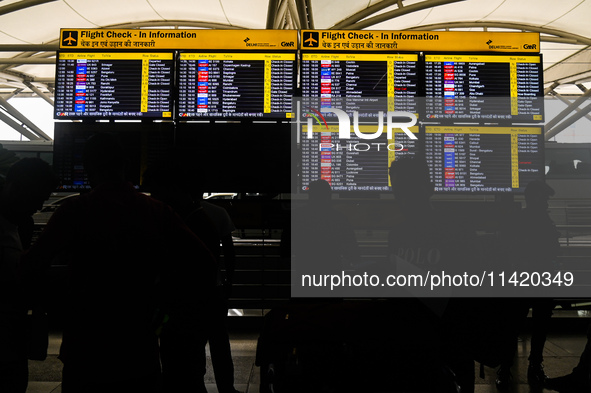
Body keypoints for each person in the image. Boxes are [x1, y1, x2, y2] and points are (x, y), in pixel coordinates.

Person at [20, 133, 216, 393]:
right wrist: (163, 308)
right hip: (138, 347)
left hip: (85, 346)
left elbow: (32, 265)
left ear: (88, 168)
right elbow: (203, 262)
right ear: (125, 165)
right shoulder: (157, 211)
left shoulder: (75, 211)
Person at [143, 162, 241, 393]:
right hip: (206, 297)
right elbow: (226, 253)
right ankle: (226, 387)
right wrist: (229, 282)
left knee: (178, 362)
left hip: (181, 307)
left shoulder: (174, 218)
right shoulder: (209, 216)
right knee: (216, 345)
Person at [0, 158, 57, 393]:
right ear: (17, 188)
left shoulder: (20, 222)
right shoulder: (18, 225)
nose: (39, 206)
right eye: (38, 198)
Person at [495, 180, 560, 389]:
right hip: (541, 280)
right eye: (545, 199)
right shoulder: (544, 221)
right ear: (537, 198)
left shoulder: (517, 220)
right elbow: (552, 252)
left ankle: (505, 368)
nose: (547, 203)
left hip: (520, 280)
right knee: (540, 325)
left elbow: (507, 251)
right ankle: (534, 365)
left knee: (512, 325)